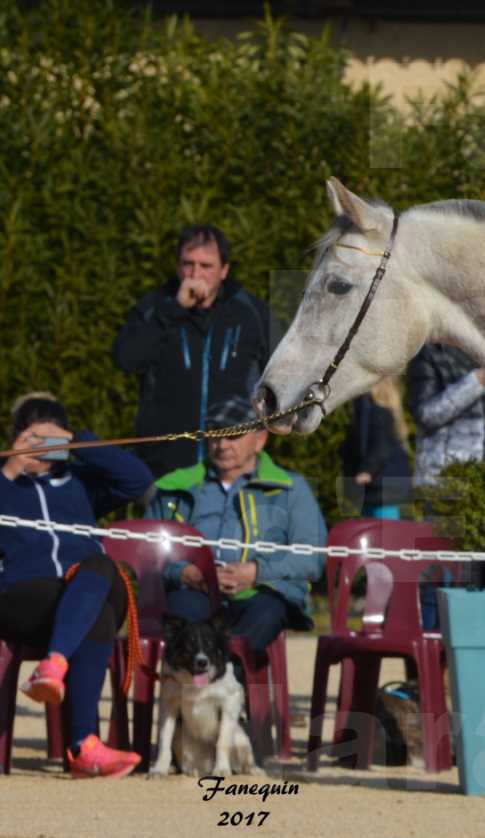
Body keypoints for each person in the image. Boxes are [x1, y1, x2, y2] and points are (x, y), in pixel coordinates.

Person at [0, 395, 153, 777]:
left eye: (47, 436)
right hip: (25, 599)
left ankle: (53, 664)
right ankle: (84, 747)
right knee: (95, 615)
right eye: (31, 435)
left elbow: (138, 479)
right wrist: (10, 469)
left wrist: (74, 439)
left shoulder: (82, 484)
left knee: (100, 567)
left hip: (90, 583)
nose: (40, 446)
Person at [146, 397, 327, 657]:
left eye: (234, 437)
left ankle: (230, 681)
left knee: (266, 613)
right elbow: (146, 551)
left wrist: (256, 572)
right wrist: (187, 574)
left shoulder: (292, 489)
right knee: (183, 617)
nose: (222, 446)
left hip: (263, 592)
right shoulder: (176, 488)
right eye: (216, 436)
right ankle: (201, 686)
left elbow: (312, 557)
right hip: (195, 590)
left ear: (260, 439)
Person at [111, 225, 281, 480]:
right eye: (188, 264)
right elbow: (126, 359)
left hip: (231, 466)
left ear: (224, 270)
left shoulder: (251, 313)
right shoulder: (155, 307)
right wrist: (174, 310)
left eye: (206, 266)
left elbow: (280, 375)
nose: (195, 273)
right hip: (165, 465)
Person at [406, 342, 485, 491]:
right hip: (440, 483)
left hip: (483, 482)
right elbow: (425, 415)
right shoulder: (429, 353)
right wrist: (475, 383)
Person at [339, 376, 412, 520]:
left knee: (383, 534)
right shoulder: (374, 412)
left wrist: (367, 470)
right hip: (379, 491)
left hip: (383, 491)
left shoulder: (377, 413)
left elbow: (381, 447)